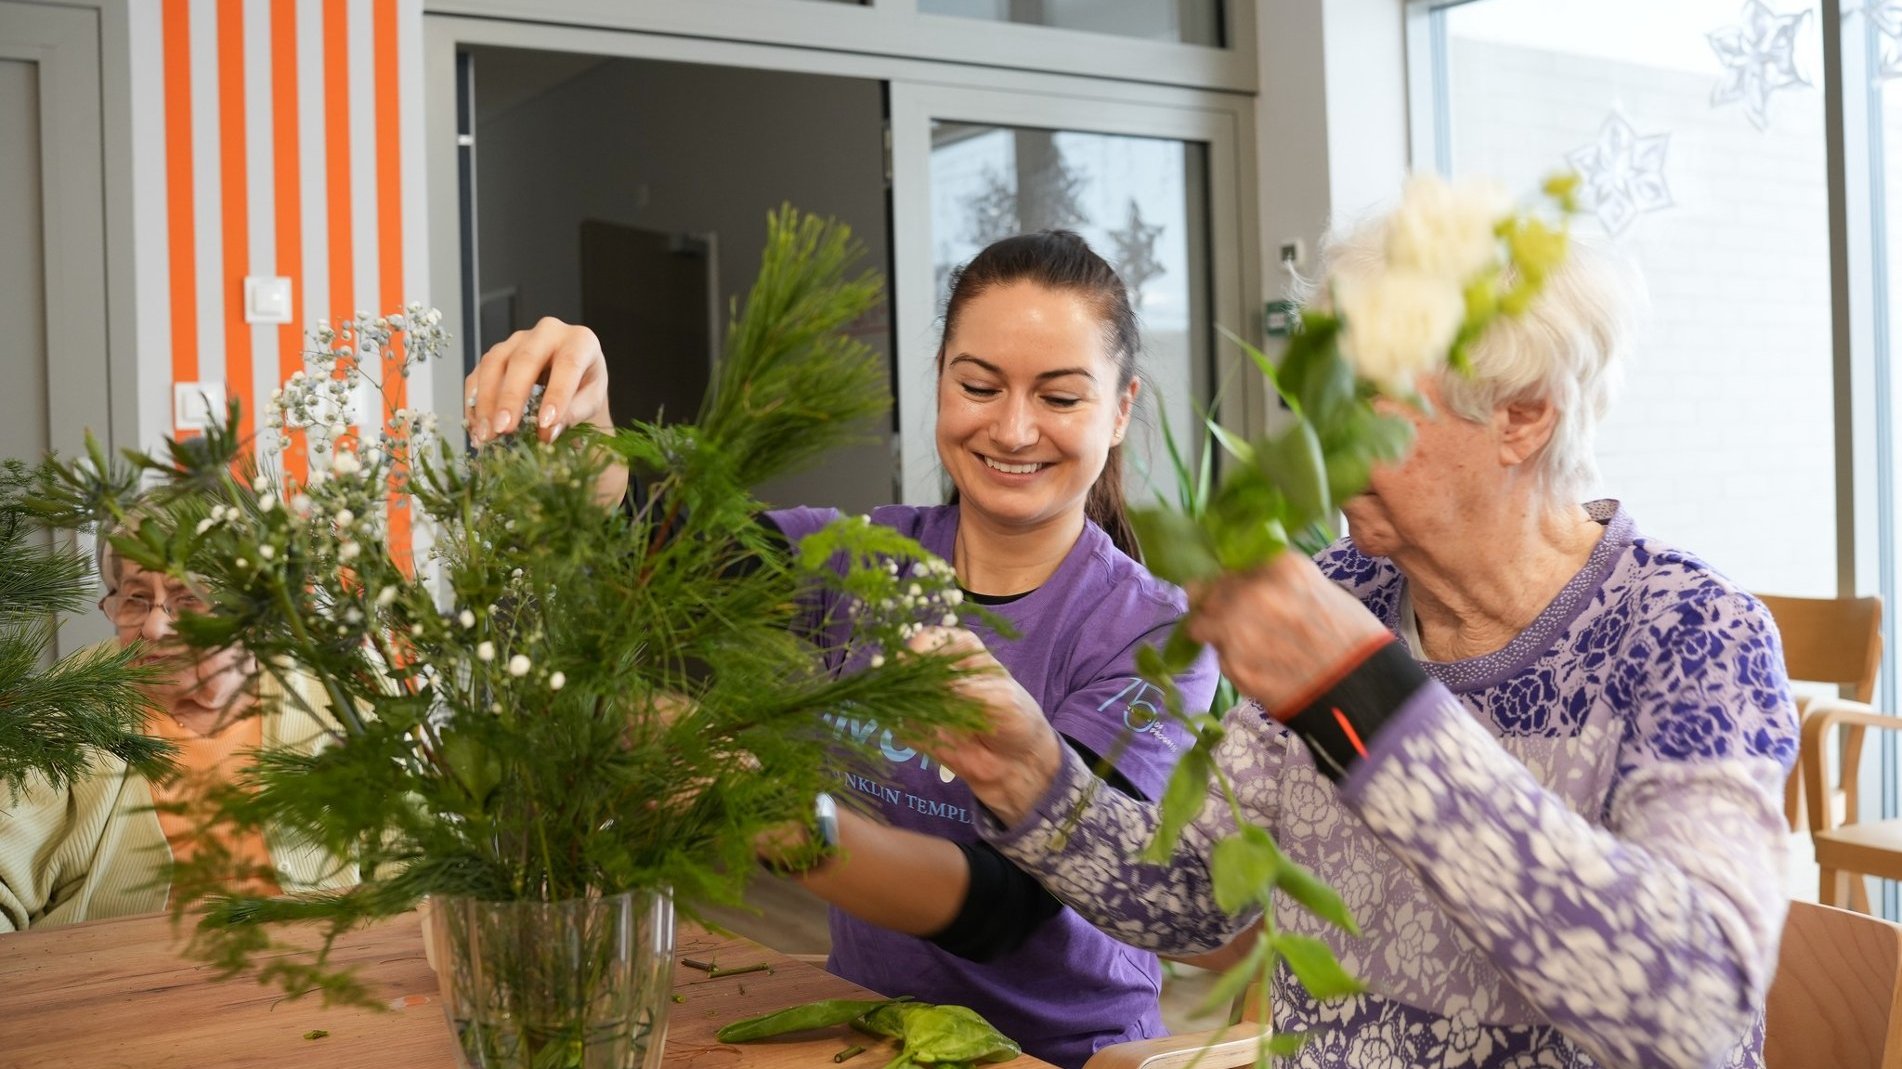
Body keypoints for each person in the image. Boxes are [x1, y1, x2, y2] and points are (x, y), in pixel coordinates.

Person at [927, 226, 1798, 1069]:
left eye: (1355, 410)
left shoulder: (1691, 632)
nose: (1305, 449)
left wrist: (1368, 703)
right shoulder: (1346, 590)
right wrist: (1029, 772)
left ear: (1522, 418)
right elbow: (1196, 896)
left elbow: (1692, 1013)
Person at [463, 231, 1218, 1068]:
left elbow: (1012, 904)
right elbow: (648, 562)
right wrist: (590, 440)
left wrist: (767, 811)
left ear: (1119, 410)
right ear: (939, 384)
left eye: (1060, 397)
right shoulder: (860, 559)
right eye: (978, 384)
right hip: (861, 1033)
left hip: (1057, 1055)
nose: (1011, 428)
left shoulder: (1151, 634)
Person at [0, 531, 352, 931]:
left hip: (322, 971)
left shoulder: (340, 694)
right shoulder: (68, 704)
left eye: (188, 599)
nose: (154, 627)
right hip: (124, 979)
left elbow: (414, 861)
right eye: (135, 598)